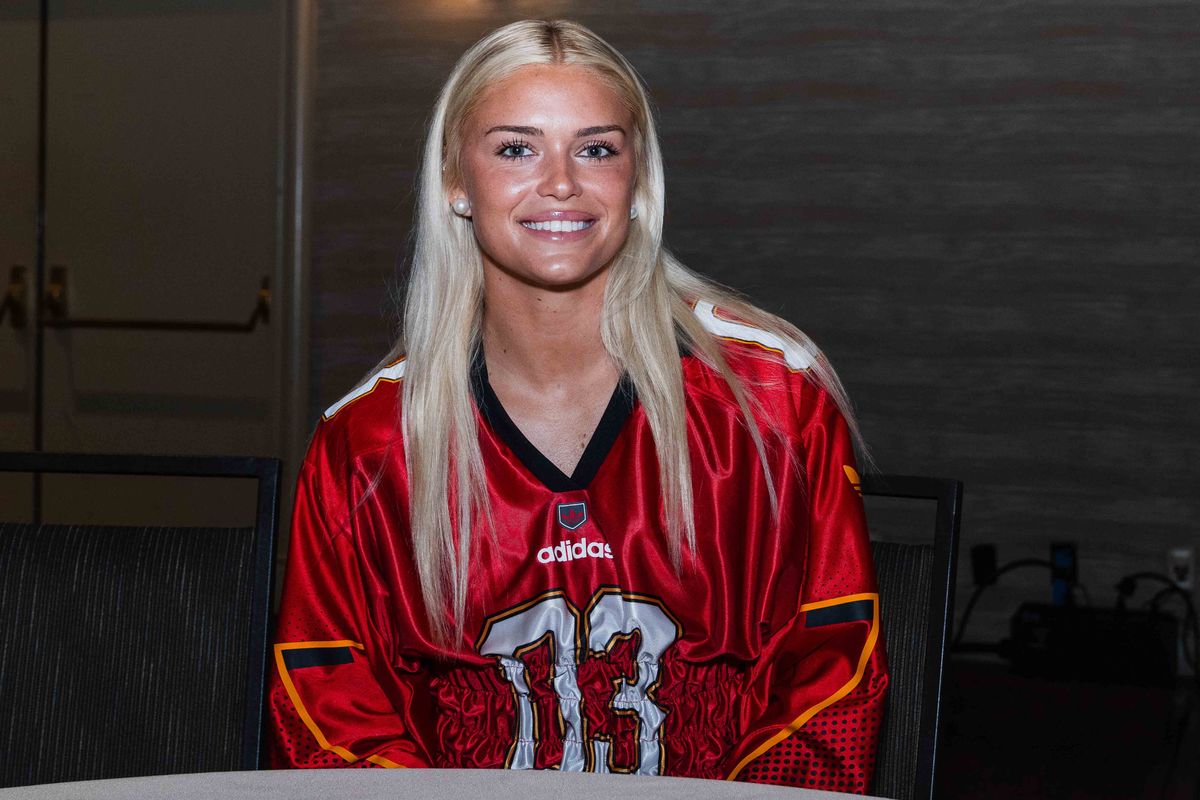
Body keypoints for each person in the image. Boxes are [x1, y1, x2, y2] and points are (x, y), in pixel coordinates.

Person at [268, 18, 887, 793]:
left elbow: (829, 674)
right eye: (515, 149)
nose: (561, 182)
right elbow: (329, 709)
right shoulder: (365, 445)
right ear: (457, 181)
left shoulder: (770, 403)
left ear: (638, 181)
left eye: (596, 149)